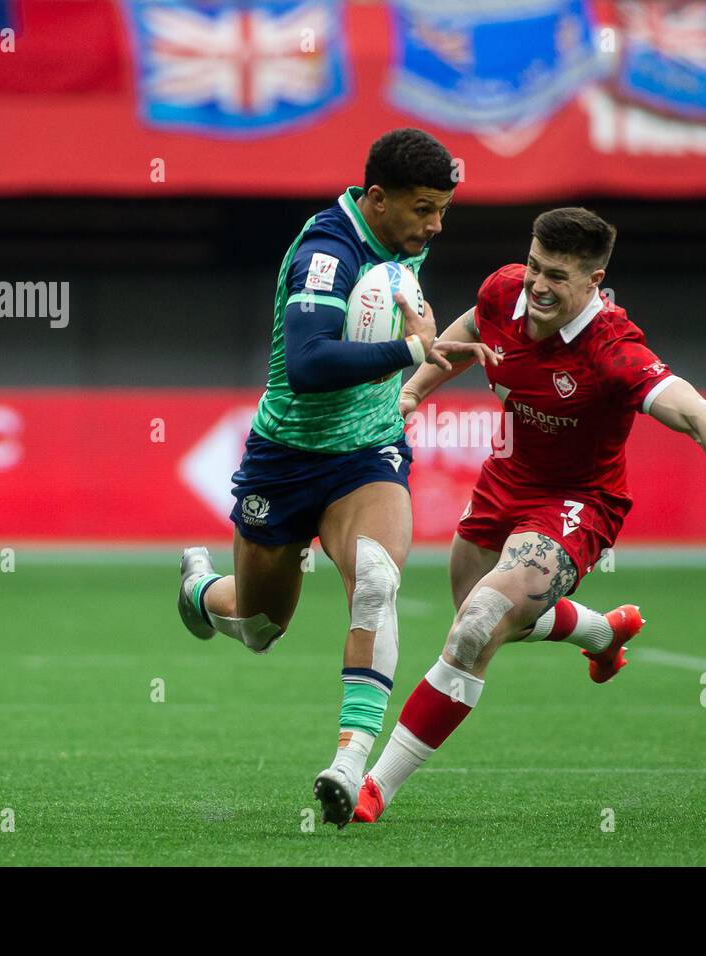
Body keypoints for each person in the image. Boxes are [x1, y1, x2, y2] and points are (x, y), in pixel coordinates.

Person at [353, 207, 706, 823]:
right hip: (504, 482)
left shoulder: (615, 351)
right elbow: (475, 327)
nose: (537, 285)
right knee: (489, 616)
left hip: (579, 503)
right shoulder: (504, 291)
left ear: (593, 280)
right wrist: (417, 387)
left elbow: (695, 414)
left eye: (556, 274)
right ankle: (600, 633)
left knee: (478, 625)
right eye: (533, 266)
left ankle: (376, 786)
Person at [174, 128, 494, 827]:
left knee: (376, 579)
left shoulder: (404, 234)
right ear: (376, 199)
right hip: (285, 461)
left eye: (443, 209)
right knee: (260, 627)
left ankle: (350, 765)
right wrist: (414, 350)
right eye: (423, 210)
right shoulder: (327, 253)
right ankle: (200, 593)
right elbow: (311, 365)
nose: (435, 226)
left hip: (367, 454)